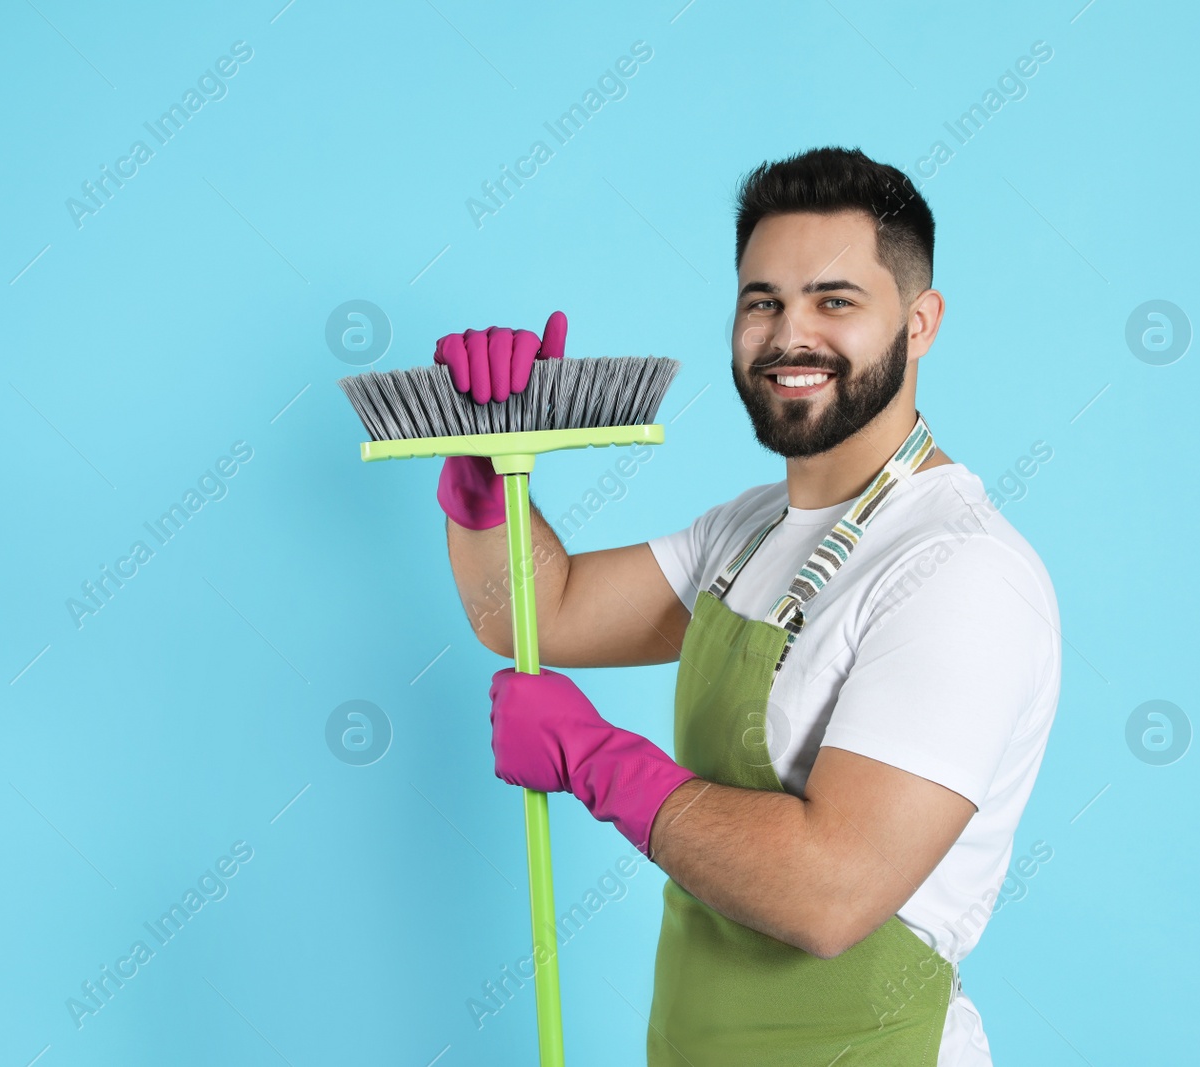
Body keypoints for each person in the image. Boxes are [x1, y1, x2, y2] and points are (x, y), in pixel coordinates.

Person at [435, 146, 1061, 1066]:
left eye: (835, 300)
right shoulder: (755, 529)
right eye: (762, 299)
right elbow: (537, 609)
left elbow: (832, 891)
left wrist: (597, 758)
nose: (788, 334)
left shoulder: (959, 572)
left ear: (920, 321)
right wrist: (491, 477)